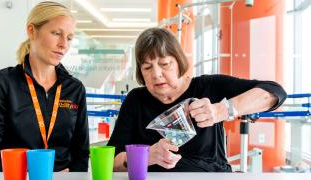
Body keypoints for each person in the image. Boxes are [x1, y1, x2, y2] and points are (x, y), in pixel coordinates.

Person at [107, 27, 287, 172]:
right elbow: (111, 161)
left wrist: (222, 110)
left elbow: (274, 92)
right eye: (147, 67)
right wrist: (145, 156)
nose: (156, 74)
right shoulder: (136, 100)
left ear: (179, 62)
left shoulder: (209, 87)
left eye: (164, 64)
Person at [0, 1, 89, 172]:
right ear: (31, 31)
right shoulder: (2, 84)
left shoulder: (74, 89)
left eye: (69, 38)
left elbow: (81, 153)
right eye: (56, 33)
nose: (63, 44)